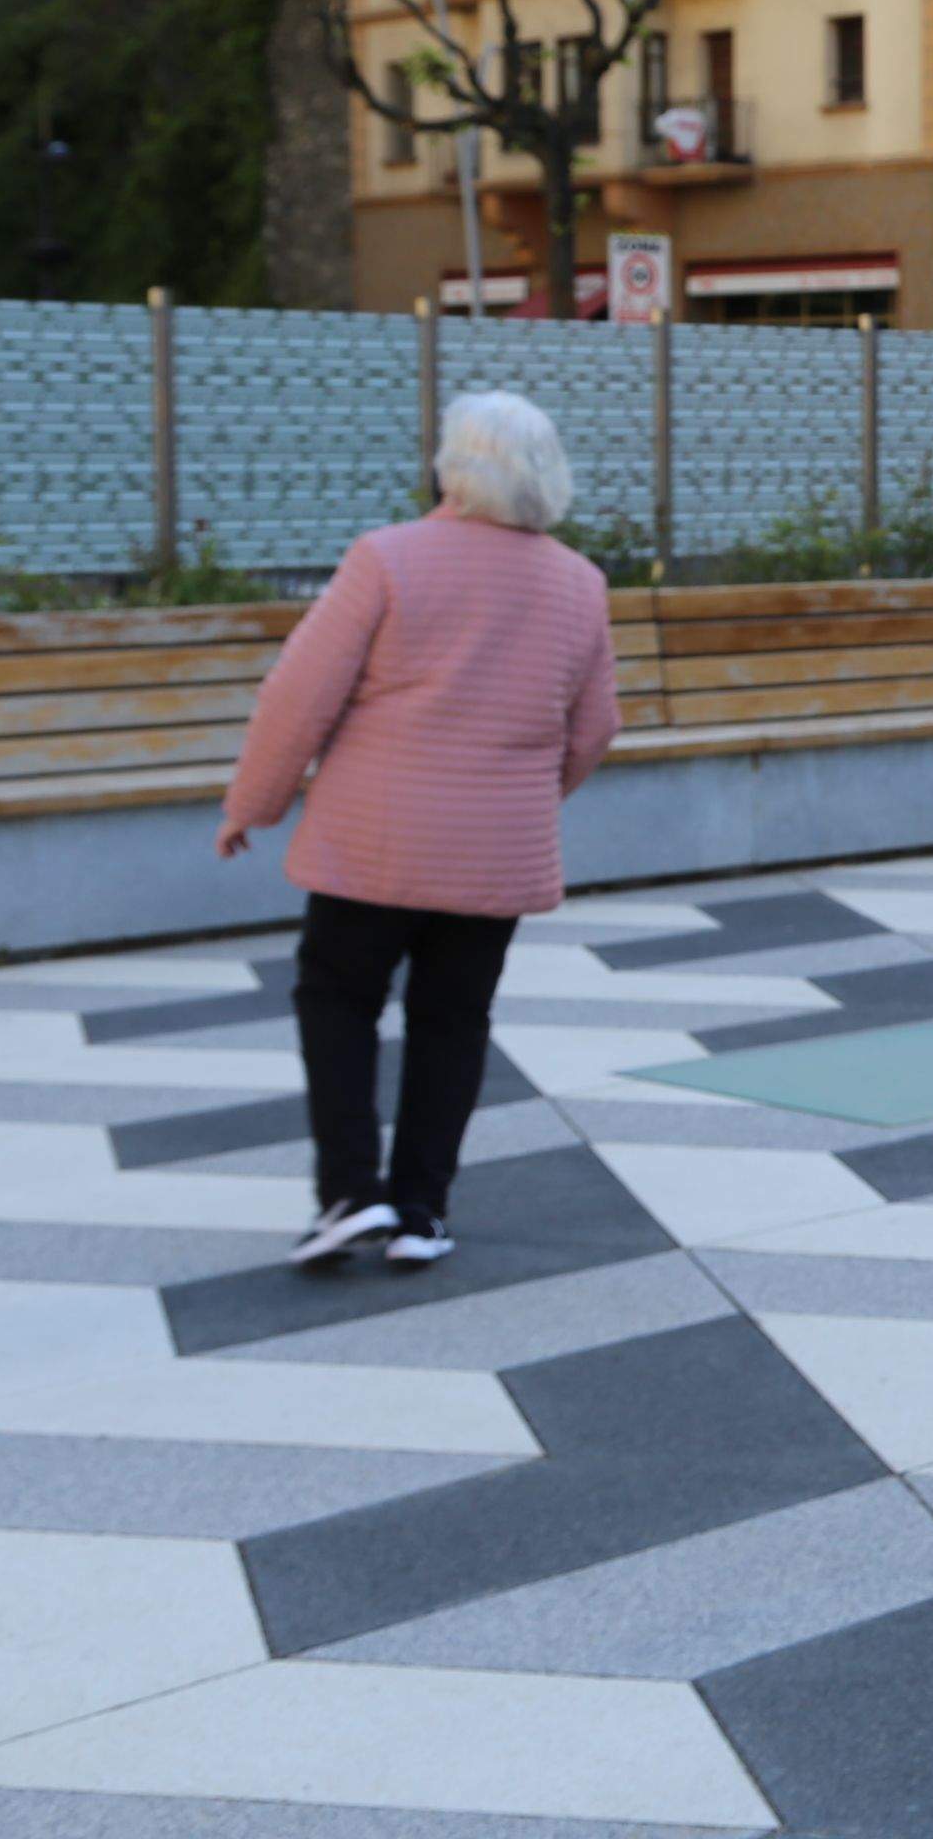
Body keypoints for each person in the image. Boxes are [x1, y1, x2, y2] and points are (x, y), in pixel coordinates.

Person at [217, 391, 622, 1272]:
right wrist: (521, 798)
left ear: (452, 465)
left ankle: (351, 1194)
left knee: (339, 999)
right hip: (495, 851)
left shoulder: (388, 560)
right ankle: (421, 1212)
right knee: (454, 1019)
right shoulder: (578, 583)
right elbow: (594, 728)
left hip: (373, 843)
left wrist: (255, 803)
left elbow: (298, 696)